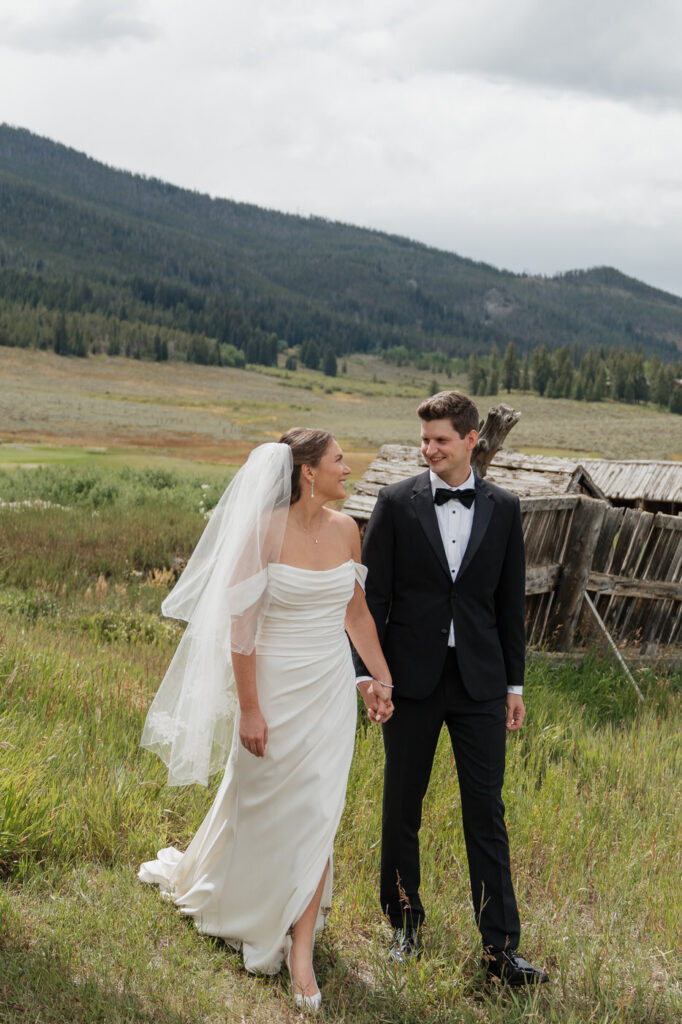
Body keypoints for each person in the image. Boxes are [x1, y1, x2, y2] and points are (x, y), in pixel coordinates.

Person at [139, 429, 393, 1012]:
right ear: (308, 471)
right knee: (260, 805)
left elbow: (356, 614)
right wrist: (250, 710)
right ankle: (245, 899)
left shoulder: (347, 530)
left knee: (320, 809)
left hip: (328, 689)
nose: (348, 468)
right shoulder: (263, 531)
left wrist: (381, 678)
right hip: (274, 690)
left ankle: (301, 951)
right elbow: (242, 631)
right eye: (338, 460)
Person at [353, 391, 548, 986]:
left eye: (440, 439)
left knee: (486, 810)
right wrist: (369, 674)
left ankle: (501, 951)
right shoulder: (395, 502)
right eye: (424, 440)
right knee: (401, 807)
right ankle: (405, 929)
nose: (429, 449)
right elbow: (371, 600)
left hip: (481, 685)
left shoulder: (506, 507)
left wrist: (514, 685)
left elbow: (509, 604)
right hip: (409, 683)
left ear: (470, 440)